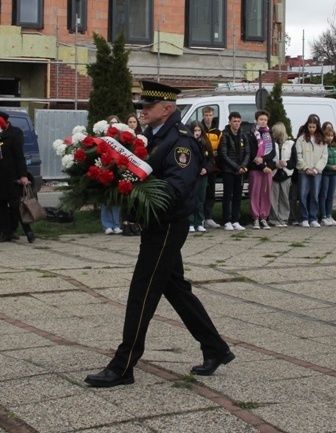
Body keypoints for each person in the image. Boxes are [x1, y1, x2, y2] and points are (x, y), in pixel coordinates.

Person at [85, 81, 234, 388]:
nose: (143, 112)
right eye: (141, 107)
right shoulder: (154, 137)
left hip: (167, 225)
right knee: (174, 288)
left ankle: (123, 364)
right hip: (156, 223)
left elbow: (178, 188)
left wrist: (137, 189)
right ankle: (215, 347)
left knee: (143, 291)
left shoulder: (179, 142)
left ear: (167, 109)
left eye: (148, 107)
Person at [0, 111, 32, 243]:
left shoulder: (14, 134)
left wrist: (23, 175)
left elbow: (19, 156)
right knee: (1, 205)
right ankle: (6, 232)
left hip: (11, 175)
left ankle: (27, 230)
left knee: (15, 205)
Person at [219, 112, 250, 231]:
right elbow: (223, 154)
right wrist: (236, 167)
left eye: (238, 121)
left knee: (238, 196)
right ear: (229, 122)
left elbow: (247, 152)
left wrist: (242, 167)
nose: (236, 123)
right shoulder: (225, 135)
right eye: (234, 121)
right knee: (228, 195)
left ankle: (236, 220)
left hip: (241, 170)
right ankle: (226, 220)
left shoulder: (243, 134)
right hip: (228, 170)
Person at [295, 115, 328, 228]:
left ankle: (313, 217)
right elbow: (298, 155)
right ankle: (304, 218)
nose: (312, 129)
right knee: (303, 194)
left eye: (314, 127)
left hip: (316, 172)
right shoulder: (302, 139)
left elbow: (324, 157)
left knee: (315, 194)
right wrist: (305, 168)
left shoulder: (322, 140)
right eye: (310, 127)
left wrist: (316, 169)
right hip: (304, 171)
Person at [248, 110, 277, 230]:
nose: (263, 122)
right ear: (256, 120)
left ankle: (264, 217)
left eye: (265, 120)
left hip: (267, 168)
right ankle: (255, 217)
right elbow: (252, 152)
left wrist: (265, 162)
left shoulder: (269, 134)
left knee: (265, 193)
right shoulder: (252, 134)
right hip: (256, 168)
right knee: (255, 193)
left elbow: (272, 152)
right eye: (261, 119)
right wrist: (261, 165)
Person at [187, 121, 214, 233]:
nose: (197, 133)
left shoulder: (205, 143)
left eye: (199, 131)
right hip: (192, 174)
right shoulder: (188, 142)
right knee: (191, 198)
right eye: (195, 131)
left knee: (201, 198)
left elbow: (211, 159)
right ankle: (191, 222)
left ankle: (199, 221)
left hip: (202, 174)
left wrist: (206, 169)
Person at [269, 122, 296, 227]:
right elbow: (269, 158)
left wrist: (287, 164)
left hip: (286, 174)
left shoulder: (290, 144)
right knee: (273, 198)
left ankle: (283, 218)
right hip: (274, 174)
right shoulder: (271, 143)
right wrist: (275, 165)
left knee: (284, 198)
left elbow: (294, 160)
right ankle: (273, 219)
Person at [101, 115, 124, 235]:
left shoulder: (122, 139)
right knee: (106, 200)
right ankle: (107, 225)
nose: (113, 125)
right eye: (111, 123)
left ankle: (116, 225)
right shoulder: (104, 138)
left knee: (116, 200)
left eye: (116, 123)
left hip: (118, 172)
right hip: (106, 170)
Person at [201, 106, 222, 229]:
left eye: (210, 115)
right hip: (202, 165)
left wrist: (217, 153)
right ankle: (201, 217)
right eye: (206, 115)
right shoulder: (200, 129)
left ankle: (209, 217)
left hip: (213, 166)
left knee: (211, 192)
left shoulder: (217, 132)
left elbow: (220, 146)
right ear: (203, 116)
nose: (208, 117)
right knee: (201, 193)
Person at [319, 126, 336, 226]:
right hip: (325, 173)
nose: (329, 138)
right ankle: (323, 216)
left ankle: (329, 215)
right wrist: (330, 167)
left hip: (334, 174)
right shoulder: (322, 146)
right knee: (323, 194)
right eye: (327, 136)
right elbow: (321, 161)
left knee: (331, 195)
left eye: (331, 136)